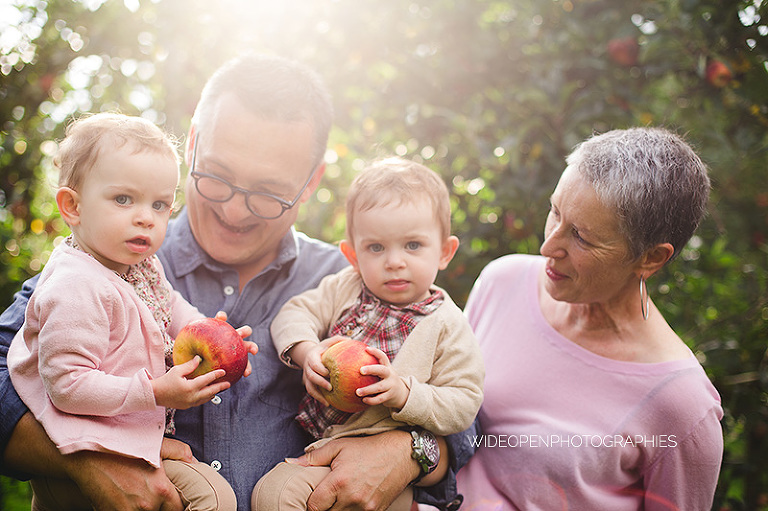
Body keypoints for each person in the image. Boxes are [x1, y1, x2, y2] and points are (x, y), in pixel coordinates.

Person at [0, 54, 473, 511]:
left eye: (268, 192)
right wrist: (85, 458)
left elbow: (465, 414)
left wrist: (408, 453)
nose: (232, 210)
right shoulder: (108, 260)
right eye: (217, 176)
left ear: (309, 183)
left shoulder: (355, 283)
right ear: (192, 144)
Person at [455, 127, 724, 509]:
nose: (548, 246)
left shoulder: (681, 405)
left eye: (580, 236)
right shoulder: (503, 282)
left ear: (651, 258)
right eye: (555, 212)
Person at [6, 112, 260, 510]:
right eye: (123, 199)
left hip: (119, 435)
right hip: (83, 448)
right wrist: (155, 392)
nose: (145, 217)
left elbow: (169, 304)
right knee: (213, 498)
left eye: (159, 205)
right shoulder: (75, 286)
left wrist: (209, 330)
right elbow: (68, 385)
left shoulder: (138, 264)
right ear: (72, 206)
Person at [252, 158, 484, 510]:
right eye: (376, 247)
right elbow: (295, 312)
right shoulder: (345, 286)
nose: (394, 261)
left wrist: (404, 394)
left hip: (382, 469)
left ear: (445, 252)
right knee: (274, 496)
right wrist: (307, 351)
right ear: (352, 255)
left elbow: (464, 402)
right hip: (318, 447)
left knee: (283, 496)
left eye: (413, 245)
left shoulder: (448, 326)